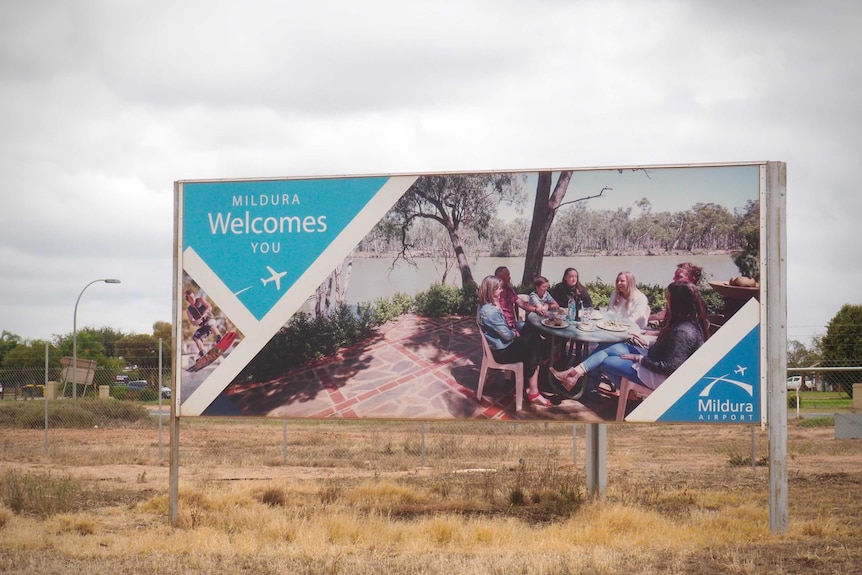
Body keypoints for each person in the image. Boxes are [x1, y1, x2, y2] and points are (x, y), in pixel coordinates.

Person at [551, 281, 709, 393]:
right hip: (654, 358)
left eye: (669, 300)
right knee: (608, 347)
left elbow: (670, 368)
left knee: (604, 361)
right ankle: (573, 375)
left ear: (678, 303)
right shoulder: (684, 322)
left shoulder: (684, 331)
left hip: (661, 378)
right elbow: (668, 351)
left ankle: (628, 392)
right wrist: (646, 344)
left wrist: (638, 358)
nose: (667, 304)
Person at [477, 275, 551, 407]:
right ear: (490, 290)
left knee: (533, 339)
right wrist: (513, 332)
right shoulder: (491, 312)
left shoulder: (484, 306)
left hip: (499, 347)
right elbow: (508, 336)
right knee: (534, 339)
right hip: (501, 352)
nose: (501, 291)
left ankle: (535, 376)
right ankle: (535, 385)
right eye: (498, 289)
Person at [185, 289, 222, 357]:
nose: (193, 299)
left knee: (209, 323)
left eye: (193, 297)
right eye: (190, 298)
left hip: (210, 319)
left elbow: (209, 307)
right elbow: (192, 321)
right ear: (188, 300)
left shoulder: (200, 300)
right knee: (195, 337)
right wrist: (196, 321)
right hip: (204, 326)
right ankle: (203, 352)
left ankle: (219, 337)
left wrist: (204, 313)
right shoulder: (189, 311)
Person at [494, 266, 530, 330]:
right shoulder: (494, 293)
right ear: (499, 278)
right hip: (504, 326)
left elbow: (520, 303)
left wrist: (536, 309)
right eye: (507, 276)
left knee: (532, 327)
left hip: (513, 324)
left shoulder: (509, 289)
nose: (510, 278)